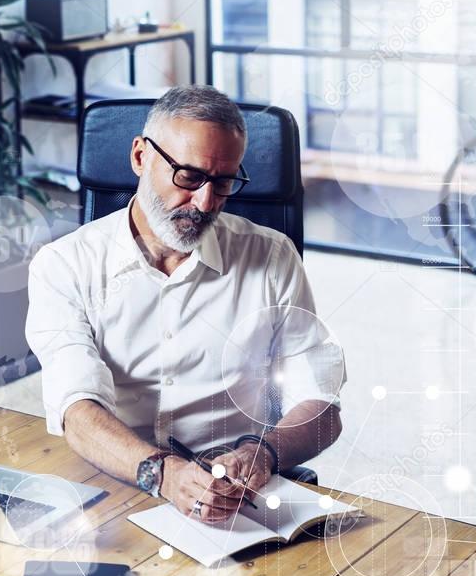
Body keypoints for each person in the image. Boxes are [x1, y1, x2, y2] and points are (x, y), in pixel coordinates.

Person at [25, 85, 346, 524]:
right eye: (189, 177)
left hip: (240, 498)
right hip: (117, 481)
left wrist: (264, 453)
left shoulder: (272, 258)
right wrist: (162, 474)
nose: (205, 202)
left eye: (224, 182)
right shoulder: (63, 265)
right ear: (140, 156)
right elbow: (76, 408)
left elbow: (322, 403)